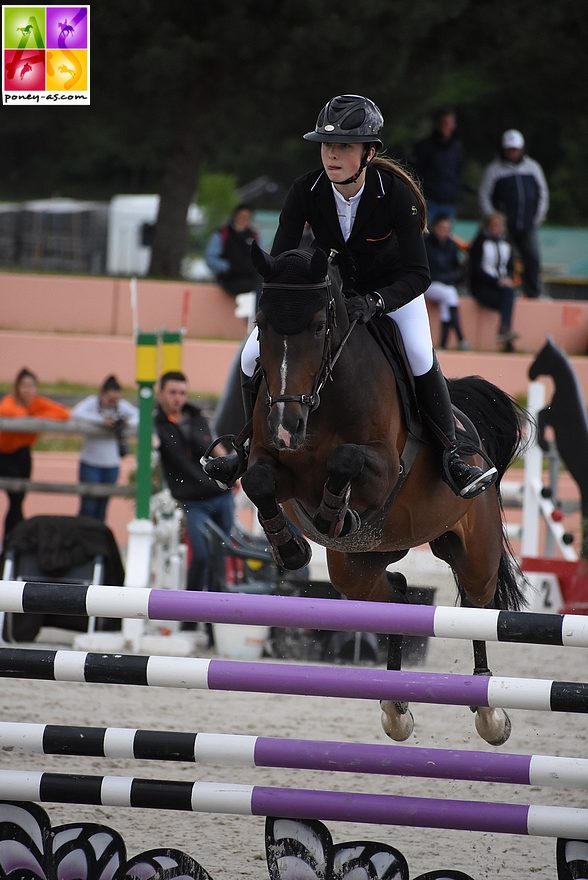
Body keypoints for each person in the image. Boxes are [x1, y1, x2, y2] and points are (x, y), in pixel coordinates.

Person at [204, 94, 497, 500]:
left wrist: (376, 302)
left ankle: (453, 454)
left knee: (418, 351)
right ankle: (243, 445)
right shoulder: (305, 189)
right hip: (335, 294)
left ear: (368, 152)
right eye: (327, 145)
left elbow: (419, 274)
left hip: (393, 292)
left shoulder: (396, 195)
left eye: (344, 146)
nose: (332, 155)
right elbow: (283, 263)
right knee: (252, 353)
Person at [154, 371, 234, 591]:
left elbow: (219, 449)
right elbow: (148, 451)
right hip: (194, 502)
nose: (177, 398)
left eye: (182, 393)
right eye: (172, 392)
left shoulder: (198, 417)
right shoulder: (156, 426)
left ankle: (215, 613)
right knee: (201, 555)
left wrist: (233, 471)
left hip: (221, 496)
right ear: (160, 393)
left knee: (221, 556)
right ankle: (191, 611)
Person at [478, 129, 549, 299]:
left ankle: (533, 292)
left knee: (532, 257)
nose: (512, 152)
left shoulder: (533, 167)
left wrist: (537, 217)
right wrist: (493, 220)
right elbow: (484, 195)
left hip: (527, 223)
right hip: (503, 226)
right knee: (500, 258)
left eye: (515, 149)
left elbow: (543, 193)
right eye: (509, 149)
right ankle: (503, 291)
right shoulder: (494, 170)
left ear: (522, 149)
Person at [0, 368, 69, 541]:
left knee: (21, 495)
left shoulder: (36, 404)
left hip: (23, 452)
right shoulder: (10, 402)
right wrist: (34, 416)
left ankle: (15, 538)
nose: (27, 390)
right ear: (17, 387)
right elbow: (10, 413)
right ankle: (13, 538)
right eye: (24, 386)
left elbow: (63, 413)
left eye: (31, 386)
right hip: (5, 453)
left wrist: (37, 415)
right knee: (15, 496)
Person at [71, 375, 139, 522]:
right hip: (91, 463)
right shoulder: (92, 403)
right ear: (102, 394)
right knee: (88, 506)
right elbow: (75, 413)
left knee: (102, 507)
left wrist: (125, 422)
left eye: (116, 400)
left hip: (111, 465)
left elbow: (139, 417)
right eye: (109, 399)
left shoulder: (121, 407)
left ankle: (97, 540)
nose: (112, 403)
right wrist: (101, 421)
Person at [469, 212, 519, 353]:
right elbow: (476, 270)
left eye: (499, 225)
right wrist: (497, 281)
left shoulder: (507, 243)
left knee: (509, 293)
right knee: (508, 297)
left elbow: (510, 267)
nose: (497, 228)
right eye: (494, 225)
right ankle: (505, 334)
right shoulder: (480, 243)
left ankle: (505, 331)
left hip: (501, 289)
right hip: (483, 287)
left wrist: (507, 278)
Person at [424, 213, 470, 351]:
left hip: (446, 286)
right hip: (428, 285)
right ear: (434, 227)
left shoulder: (452, 246)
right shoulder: (425, 243)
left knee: (448, 299)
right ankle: (461, 338)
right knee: (450, 294)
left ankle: (443, 344)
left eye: (447, 228)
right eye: (441, 227)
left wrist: (450, 279)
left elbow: (457, 269)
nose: (444, 231)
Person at [411, 108, 464, 221]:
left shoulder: (458, 147)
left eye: (448, 123)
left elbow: (458, 171)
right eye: (443, 122)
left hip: (449, 201)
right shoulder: (424, 146)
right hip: (429, 200)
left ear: (454, 125)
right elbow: (415, 172)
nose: (445, 126)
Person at [204, 203, 262, 299]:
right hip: (228, 280)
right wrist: (229, 267)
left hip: (251, 280)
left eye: (247, 217)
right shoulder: (221, 234)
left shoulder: (254, 236)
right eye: (241, 216)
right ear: (235, 216)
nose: (244, 220)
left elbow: (261, 258)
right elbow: (211, 258)